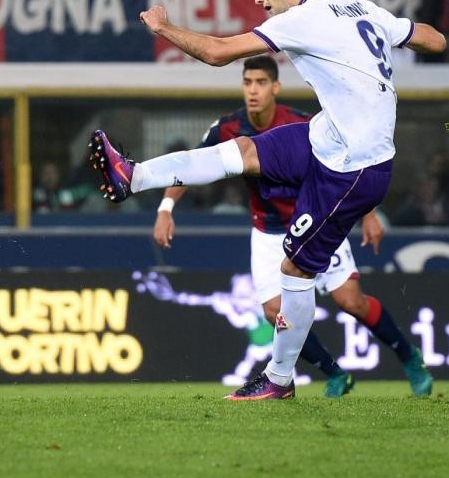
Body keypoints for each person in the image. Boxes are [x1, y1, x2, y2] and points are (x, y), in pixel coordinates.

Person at [90, 0, 447, 400]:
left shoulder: (303, 18)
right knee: (242, 150)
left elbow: (218, 53)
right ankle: (133, 176)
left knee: (294, 270)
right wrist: (397, 49)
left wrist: (163, 28)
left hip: (355, 167)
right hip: (327, 139)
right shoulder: (363, 9)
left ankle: (279, 380)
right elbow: (435, 40)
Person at [156, 55, 433, 398]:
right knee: (274, 312)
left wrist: (368, 213)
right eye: (247, 83)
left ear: (276, 87)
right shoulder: (227, 127)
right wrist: (166, 207)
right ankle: (334, 374)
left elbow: (347, 164)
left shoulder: (302, 124)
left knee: (351, 301)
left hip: (319, 221)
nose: (253, 90)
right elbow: (194, 163)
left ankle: (410, 357)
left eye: (260, 83)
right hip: (267, 232)